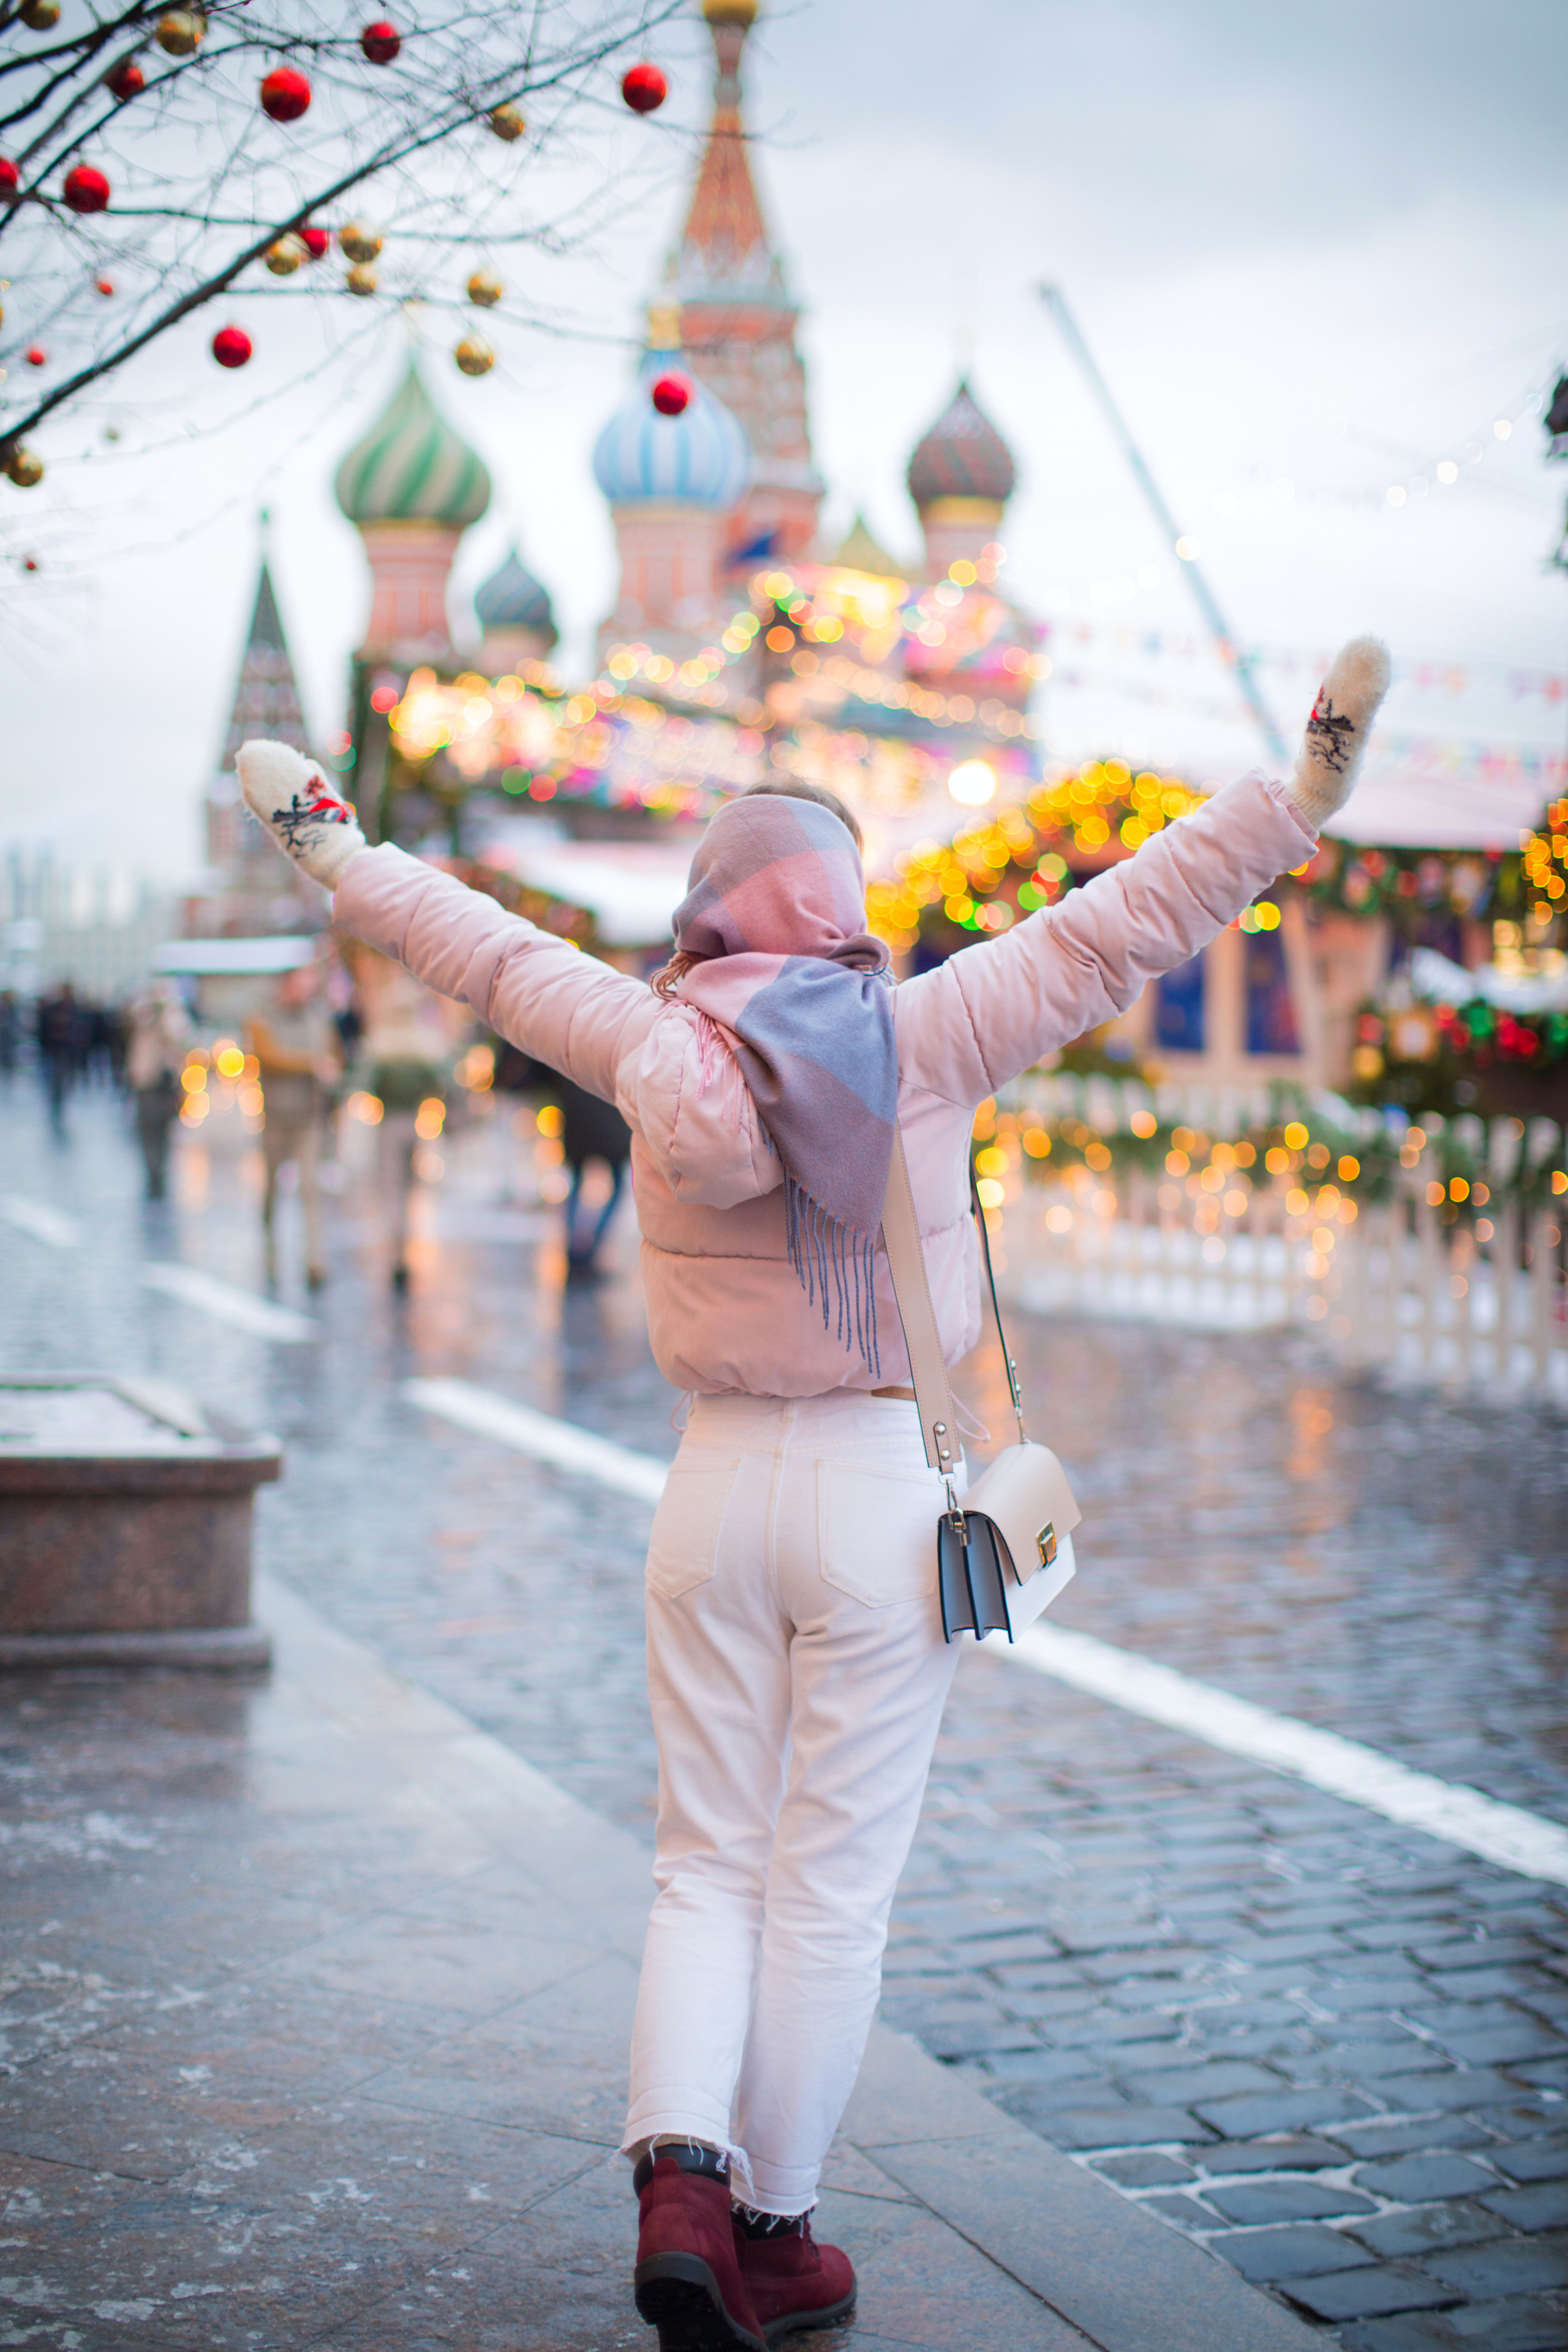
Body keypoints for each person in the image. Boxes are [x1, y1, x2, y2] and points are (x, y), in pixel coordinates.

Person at [235, 636, 1390, 2352]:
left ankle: (677, 2187)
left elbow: (485, 952)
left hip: (711, 1489)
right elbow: (1123, 919)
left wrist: (342, 854)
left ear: (709, 910)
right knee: (827, 1887)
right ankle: (772, 2231)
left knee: (702, 1864)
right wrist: (1290, 802)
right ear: (839, 904)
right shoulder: (927, 1032)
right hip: (877, 1495)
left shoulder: (643, 1037)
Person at [247, 960, 339, 1288]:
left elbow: (334, 1059)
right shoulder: (261, 1020)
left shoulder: (318, 1021)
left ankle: (315, 1258)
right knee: (272, 1190)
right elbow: (271, 1056)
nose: (305, 991)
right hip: (275, 1117)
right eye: (299, 984)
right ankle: (270, 1249)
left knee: (310, 1188)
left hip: (308, 1117)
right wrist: (312, 1063)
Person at [358, 965, 449, 1291]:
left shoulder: (381, 1046)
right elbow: (443, 1084)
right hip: (416, 1123)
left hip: (388, 1123)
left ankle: (396, 1249)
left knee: (392, 1189)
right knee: (410, 1189)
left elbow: (362, 1085)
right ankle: (404, 1244)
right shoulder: (426, 1046)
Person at [123, 980, 190, 1200]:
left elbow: (180, 1039)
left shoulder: (173, 1018)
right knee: (148, 1131)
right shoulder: (144, 1016)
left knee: (164, 1132)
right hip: (147, 1083)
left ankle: (160, 1170)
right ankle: (153, 1172)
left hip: (167, 1085)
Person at [35, 981, 85, 1137]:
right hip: (56, 1050)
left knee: (65, 1078)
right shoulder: (55, 1009)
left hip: (68, 1051)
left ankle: (60, 1100)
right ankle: (56, 1102)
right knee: (57, 1078)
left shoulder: (75, 1009)